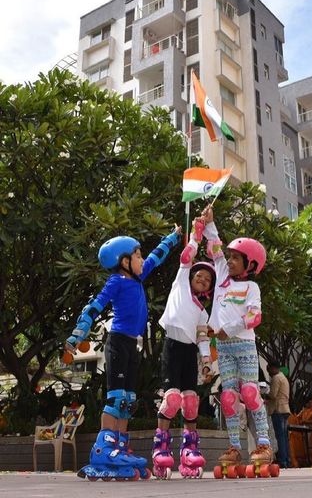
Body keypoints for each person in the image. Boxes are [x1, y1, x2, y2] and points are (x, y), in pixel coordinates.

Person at [65, 228, 181, 480]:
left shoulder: (138, 278)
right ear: (124, 261)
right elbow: (94, 306)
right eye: (137, 256)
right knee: (116, 398)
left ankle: (119, 448)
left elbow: (156, 257)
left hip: (132, 345)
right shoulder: (116, 281)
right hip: (117, 343)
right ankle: (103, 448)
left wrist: (173, 238)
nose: (142, 260)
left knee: (128, 400)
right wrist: (78, 334)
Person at [200, 204, 274, 467]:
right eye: (229, 257)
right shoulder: (221, 275)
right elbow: (215, 245)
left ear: (249, 264)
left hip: (243, 344)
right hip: (225, 347)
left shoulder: (251, 287)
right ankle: (234, 448)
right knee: (229, 397)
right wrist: (209, 222)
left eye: (235, 258)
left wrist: (227, 328)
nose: (229, 261)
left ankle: (263, 445)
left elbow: (255, 317)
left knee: (251, 392)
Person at [153, 218, 216, 478]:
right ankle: (161, 448)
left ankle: (189, 451)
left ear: (209, 288)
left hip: (189, 352)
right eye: (198, 275)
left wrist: (206, 362)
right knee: (172, 399)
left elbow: (203, 338)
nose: (201, 278)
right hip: (172, 347)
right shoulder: (180, 284)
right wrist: (195, 236)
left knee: (190, 402)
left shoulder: (202, 310)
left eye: (206, 279)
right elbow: (186, 258)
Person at [265, 361, 291, 468]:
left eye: (269, 371)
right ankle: (286, 460)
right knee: (284, 436)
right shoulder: (283, 377)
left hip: (277, 409)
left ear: (273, 368)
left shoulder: (276, 378)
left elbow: (273, 395)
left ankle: (282, 461)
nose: (269, 374)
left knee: (280, 436)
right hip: (285, 409)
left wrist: (264, 393)